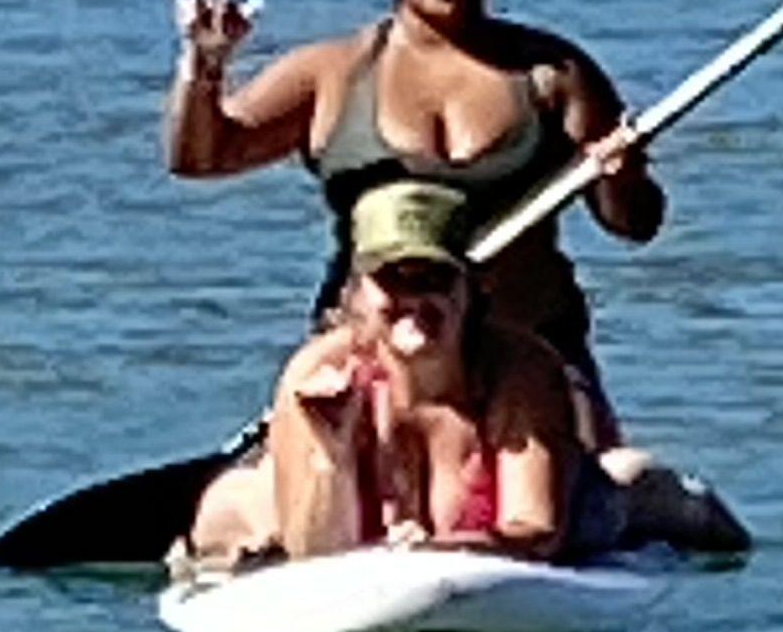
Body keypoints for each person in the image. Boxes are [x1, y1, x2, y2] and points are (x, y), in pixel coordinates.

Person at [165, 0, 749, 561]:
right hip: (381, 354)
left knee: (565, 517)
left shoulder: (553, 75)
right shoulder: (335, 72)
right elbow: (203, 157)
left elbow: (636, 223)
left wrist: (621, 174)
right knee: (276, 520)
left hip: (529, 358)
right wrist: (204, 67)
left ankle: (642, 500)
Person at [249, 182, 625, 565]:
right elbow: (312, 558)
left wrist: (427, 554)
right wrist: (333, 453)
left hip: (567, 519)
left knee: (630, 480)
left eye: (435, 278)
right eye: (392, 278)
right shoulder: (316, 374)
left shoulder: (521, 371)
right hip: (368, 550)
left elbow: (535, 531)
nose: (414, 299)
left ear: (471, 289)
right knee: (240, 507)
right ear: (357, 294)